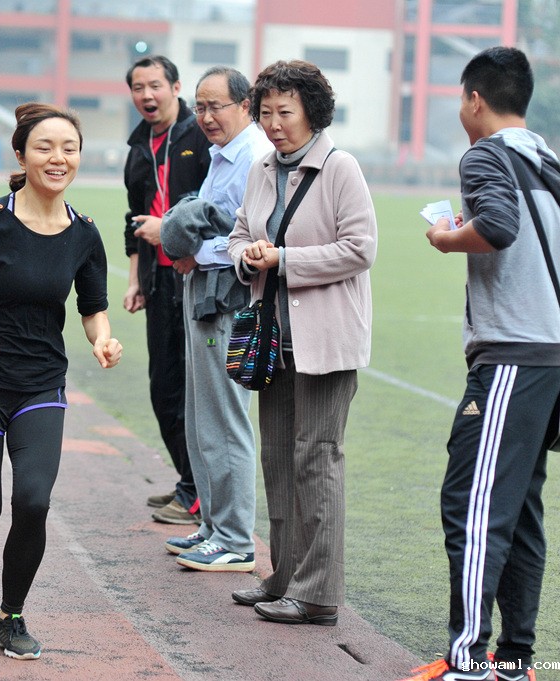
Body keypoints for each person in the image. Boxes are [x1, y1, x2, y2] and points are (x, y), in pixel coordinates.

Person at [0, 102, 122, 661]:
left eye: (69, 148)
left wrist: (102, 339)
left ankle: (9, 616)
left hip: (41, 384)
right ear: (21, 156)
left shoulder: (84, 233)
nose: (58, 158)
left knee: (34, 501)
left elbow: (93, 308)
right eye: (45, 147)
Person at [402, 46, 560, 681]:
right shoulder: (548, 158)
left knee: (471, 505)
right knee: (518, 510)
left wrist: (447, 238)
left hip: (515, 354)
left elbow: (496, 226)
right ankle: (515, 662)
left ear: (474, 99)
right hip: (549, 355)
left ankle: (468, 659)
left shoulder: (485, 154)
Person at [226, 60, 377, 625]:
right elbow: (240, 234)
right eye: (265, 113)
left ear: (312, 112)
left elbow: (360, 248)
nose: (273, 124)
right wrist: (247, 256)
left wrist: (284, 259)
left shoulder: (340, 168)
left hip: (326, 343)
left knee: (318, 461)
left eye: (284, 112)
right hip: (274, 342)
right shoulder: (262, 168)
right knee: (278, 461)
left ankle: (318, 595)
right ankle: (284, 576)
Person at [159, 66, 272, 571]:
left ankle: (235, 539)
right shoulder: (223, 154)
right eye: (200, 107)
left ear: (244, 106)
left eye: (215, 106)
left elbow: (254, 237)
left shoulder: (252, 157)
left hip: (226, 296)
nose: (205, 117)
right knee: (202, 414)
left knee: (225, 418)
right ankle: (212, 527)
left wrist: (195, 253)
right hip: (203, 291)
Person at [123, 55, 211, 524]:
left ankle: (197, 493)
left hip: (195, 275)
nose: (147, 95)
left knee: (194, 391)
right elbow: (133, 220)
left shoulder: (199, 137)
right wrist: (135, 280)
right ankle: (187, 482)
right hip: (158, 283)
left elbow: (213, 209)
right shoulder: (138, 147)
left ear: (176, 87)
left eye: (155, 85)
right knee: (164, 389)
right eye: (138, 88)